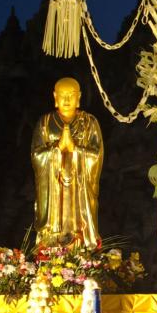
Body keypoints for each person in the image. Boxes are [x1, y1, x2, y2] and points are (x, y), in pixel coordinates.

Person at [32, 77, 104, 248]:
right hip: (53, 189)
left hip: (79, 189)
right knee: (52, 230)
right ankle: (51, 244)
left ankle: (83, 244)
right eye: (62, 95)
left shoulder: (90, 123)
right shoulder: (45, 122)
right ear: (55, 97)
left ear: (78, 97)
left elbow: (97, 155)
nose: (66, 100)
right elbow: (36, 155)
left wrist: (75, 148)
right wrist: (57, 149)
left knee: (80, 225)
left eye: (70, 95)